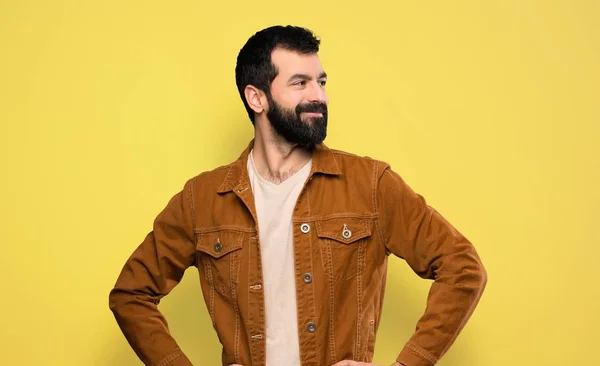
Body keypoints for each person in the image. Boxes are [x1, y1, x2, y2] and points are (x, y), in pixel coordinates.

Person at [109, 25, 487, 366]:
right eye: (300, 83)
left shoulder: (370, 184)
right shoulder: (202, 199)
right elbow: (131, 295)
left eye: (321, 81)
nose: (318, 96)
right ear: (256, 99)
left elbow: (462, 268)